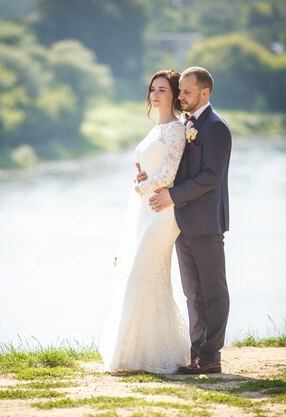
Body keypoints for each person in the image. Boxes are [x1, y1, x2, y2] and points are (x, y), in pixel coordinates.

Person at [100, 70, 191, 374]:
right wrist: (143, 178)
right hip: (146, 208)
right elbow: (154, 170)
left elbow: (170, 173)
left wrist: (143, 186)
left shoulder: (176, 129)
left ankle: (156, 353)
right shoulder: (156, 128)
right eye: (153, 89)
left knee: (143, 272)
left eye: (163, 90)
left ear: (174, 94)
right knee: (143, 275)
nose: (155, 94)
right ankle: (141, 353)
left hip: (163, 212)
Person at [144, 66, 232, 374]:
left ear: (204, 92)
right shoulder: (187, 125)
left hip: (206, 222)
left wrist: (172, 195)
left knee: (213, 291)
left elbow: (212, 176)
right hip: (182, 222)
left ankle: (211, 356)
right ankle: (197, 353)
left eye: (186, 92)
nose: (180, 96)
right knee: (192, 292)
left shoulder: (216, 127)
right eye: (179, 91)